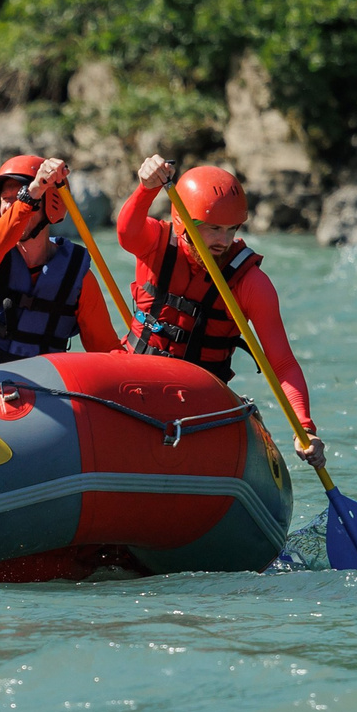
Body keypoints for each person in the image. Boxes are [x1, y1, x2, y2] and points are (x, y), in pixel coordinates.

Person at [116, 157, 328, 476]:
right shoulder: (155, 244)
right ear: (183, 221)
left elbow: (282, 364)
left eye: (231, 229)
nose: (223, 241)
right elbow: (125, 232)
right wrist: (146, 189)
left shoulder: (251, 283)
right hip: (135, 383)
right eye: (213, 228)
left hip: (198, 400)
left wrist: (305, 427)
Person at [0, 154, 122, 371]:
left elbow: (106, 351)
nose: (13, 206)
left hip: (41, 391)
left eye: (21, 197)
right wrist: (32, 194)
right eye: (7, 199)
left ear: (52, 205)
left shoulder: (77, 277)